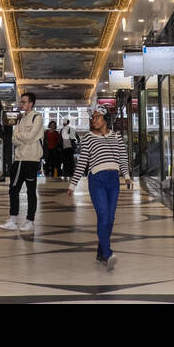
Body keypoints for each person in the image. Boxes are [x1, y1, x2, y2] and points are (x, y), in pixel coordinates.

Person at [66, 106, 132, 269]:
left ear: (105, 119)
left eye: (97, 117)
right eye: (93, 118)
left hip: (113, 180)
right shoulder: (88, 138)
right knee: (103, 217)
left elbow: (123, 158)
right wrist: (72, 184)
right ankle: (108, 254)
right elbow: (82, 162)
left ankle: (100, 252)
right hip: (97, 180)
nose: (94, 120)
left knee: (110, 219)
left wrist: (127, 177)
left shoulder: (116, 137)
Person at [0, 92, 43, 231]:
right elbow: (14, 139)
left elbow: (31, 136)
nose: (21, 104)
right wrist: (21, 137)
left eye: (24, 102)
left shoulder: (37, 117)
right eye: (21, 102)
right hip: (19, 159)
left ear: (31, 103)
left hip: (31, 159)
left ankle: (30, 220)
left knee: (31, 191)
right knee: (13, 189)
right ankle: (13, 219)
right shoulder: (20, 119)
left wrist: (20, 136)